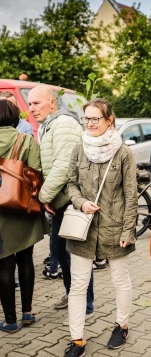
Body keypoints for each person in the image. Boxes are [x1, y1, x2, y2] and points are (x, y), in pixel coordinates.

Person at [64, 98, 137, 356]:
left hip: (114, 228)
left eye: (96, 118)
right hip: (83, 229)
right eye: (87, 118)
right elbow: (71, 183)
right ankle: (77, 340)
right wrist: (80, 201)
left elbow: (131, 195)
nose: (90, 123)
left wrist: (129, 230)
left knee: (120, 280)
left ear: (110, 120)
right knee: (78, 285)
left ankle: (122, 325)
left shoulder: (124, 153)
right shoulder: (78, 148)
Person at [27, 85, 94, 318]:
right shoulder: (50, 124)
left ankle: (84, 302)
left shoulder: (63, 123)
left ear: (52, 103)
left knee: (73, 251)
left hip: (69, 199)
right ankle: (75, 295)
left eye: (37, 103)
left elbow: (63, 165)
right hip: (59, 199)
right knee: (62, 250)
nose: (32, 109)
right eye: (30, 104)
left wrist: (44, 196)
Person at [0, 99, 50, 333]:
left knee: (4, 267)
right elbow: (36, 174)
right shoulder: (26, 140)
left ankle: (10, 321)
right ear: (13, 118)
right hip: (23, 207)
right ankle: (27, 313)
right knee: (26, 259)